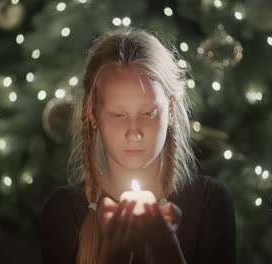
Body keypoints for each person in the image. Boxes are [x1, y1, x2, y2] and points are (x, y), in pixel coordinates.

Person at [42, 27, 236, 264]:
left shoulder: (209, 201)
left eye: (148, 112)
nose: (134, 132)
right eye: (118, 115)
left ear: (171, 109)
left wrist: (165, 247)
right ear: (93, 113)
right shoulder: (65, 210)